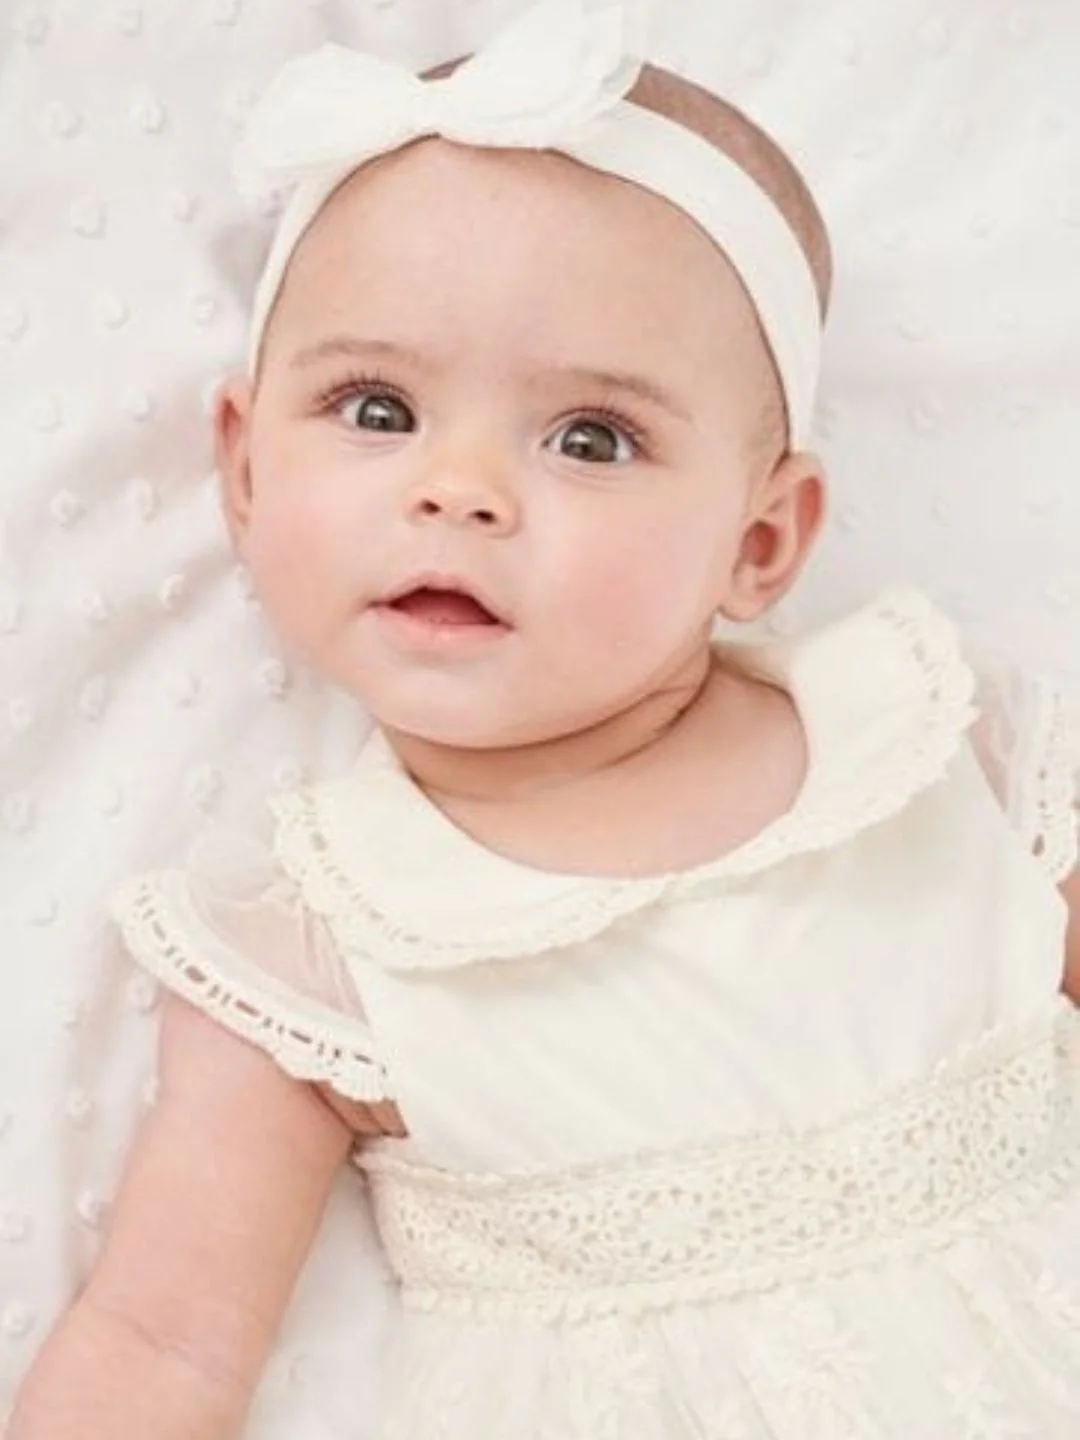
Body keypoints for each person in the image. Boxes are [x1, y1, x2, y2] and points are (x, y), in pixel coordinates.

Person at [11, 2, 1080, 1436]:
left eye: (591, 438)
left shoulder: (931, 740)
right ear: (246, 470)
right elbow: (163, 1345)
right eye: (376, 409)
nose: (460, 491)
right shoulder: (319, 944)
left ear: (761, 541)